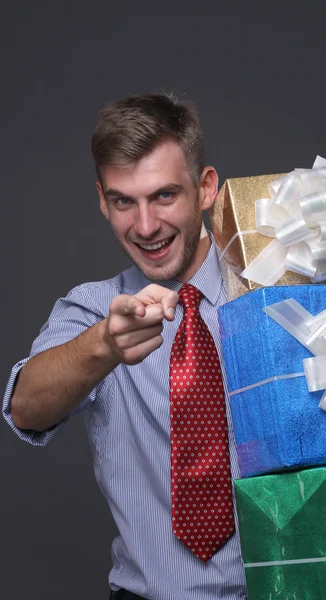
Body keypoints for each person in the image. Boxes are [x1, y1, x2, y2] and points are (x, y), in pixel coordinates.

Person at [3, 93, 247, 600]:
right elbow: (25, 406)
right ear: (101, 200)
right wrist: (103, 347)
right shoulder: (95, 311)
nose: (145, 226)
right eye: (122, 201)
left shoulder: (272, 289)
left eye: (163, 196)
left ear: (205, 189)